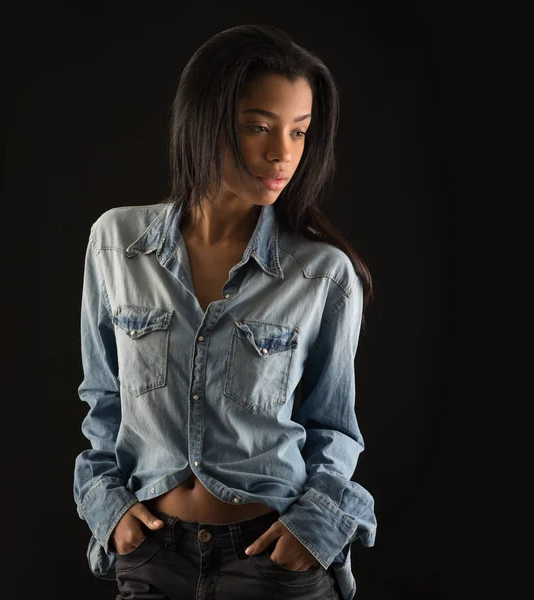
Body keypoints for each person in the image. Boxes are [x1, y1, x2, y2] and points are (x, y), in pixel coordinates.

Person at [74, 24, 377, 600]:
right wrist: (109, 511)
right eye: (258, 127)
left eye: (300, 132)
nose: (281, 153)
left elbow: (334, 429)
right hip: (151, 558)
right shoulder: (115, 243)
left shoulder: (323, 273)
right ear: (204, 121)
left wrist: (311, 533)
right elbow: (103, 399)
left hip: (273, 561)